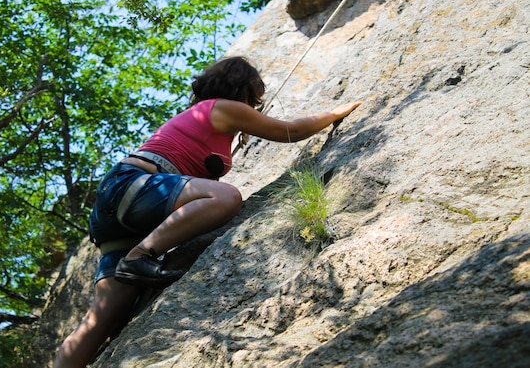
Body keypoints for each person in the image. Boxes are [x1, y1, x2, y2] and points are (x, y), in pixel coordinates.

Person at [52, 56, 362, 367]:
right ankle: (140, 256)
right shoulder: (225, 107)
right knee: (226, 198)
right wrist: (336, 112)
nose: (255, 104)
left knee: (98, 323)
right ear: (245, 90)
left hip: (118, 209)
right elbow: (289, 131)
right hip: (134, 189)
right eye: (254, 96)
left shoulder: (198, 116)